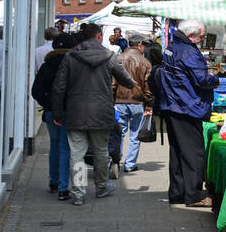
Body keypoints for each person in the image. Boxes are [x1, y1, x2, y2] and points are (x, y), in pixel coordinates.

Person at [50, 23, 134, 206]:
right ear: (98, 37)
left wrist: (57, 113)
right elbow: (126, 80)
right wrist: (133, 86)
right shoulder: (109, 56)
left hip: (75, 112)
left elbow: (59, 87)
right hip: (101, 112)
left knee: (77, 154)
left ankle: (79, 193)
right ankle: (102, 186)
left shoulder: (71, 57)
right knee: (101, 151)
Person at [156, 19, 220, 207]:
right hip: (186, 107)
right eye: (201, 35)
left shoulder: (173, 46)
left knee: (177, 151)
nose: (202, 38)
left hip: (173, 105)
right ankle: (193, 194)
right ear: (191, 35)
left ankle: (177, 192)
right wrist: (215, 80)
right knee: (194, 152)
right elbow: (201, 79)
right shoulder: (188, 51)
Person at [32, 33, 76, 199]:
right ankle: (65, 188)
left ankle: (54, 181)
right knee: (68, 147)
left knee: (55, 145)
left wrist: (48, 103)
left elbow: (35, 91)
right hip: (71, 111)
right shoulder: (74, 65)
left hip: (51, 112)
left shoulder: (46, 66)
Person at [110, 32, 155, 173]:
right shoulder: (145, 62)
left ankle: (116, 160)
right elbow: (148, 87)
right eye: (144, 45)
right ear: (140, 44)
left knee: (120, 133)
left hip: (119, 101)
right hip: (137, 102)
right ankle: (129, 164)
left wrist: (111, 101)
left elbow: (112, 83)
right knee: (135, 134)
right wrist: (149, 105)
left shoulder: (118, 58)